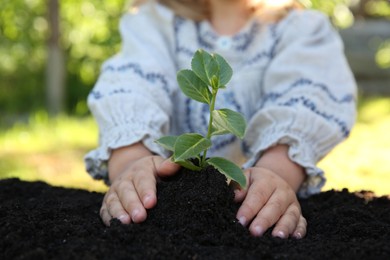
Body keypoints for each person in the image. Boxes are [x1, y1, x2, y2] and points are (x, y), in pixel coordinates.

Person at [85, 0, 357, 239]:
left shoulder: (302, 28)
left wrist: (275, 173)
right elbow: (131, 86)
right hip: (167, 201)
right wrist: (131, 164)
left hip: (250, 206)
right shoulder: (155, 20)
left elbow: (304, 97)